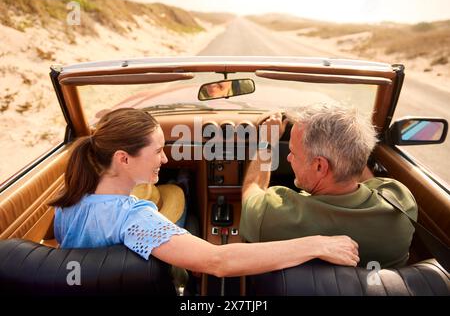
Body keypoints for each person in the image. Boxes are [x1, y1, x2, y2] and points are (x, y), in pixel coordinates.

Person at [49, 107, 359, 279]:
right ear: (123, 158)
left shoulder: (69, 201)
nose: (165, 158)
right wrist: (316, 244)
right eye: (158, 151)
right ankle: (184, 186)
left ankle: (182, 185)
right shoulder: (136, 218)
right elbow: (218, 261)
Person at [240, 103, 417, 268]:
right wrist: (350, 147)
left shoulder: (273, 214)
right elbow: (366, 179)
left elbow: (251, 187)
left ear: (319, 166)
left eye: (293, 153)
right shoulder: (401, 202)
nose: (288, 157)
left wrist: (268, 141)